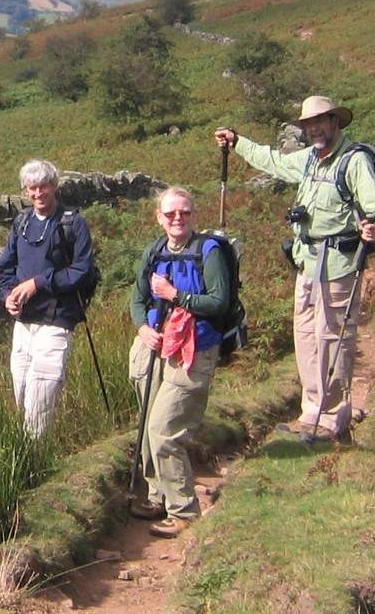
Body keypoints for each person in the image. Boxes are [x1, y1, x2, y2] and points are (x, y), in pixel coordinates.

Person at [214, 96, 375, 441]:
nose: (313, 129)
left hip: (339, 266)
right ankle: (311, 412)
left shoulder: (353, 162)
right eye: (308, 125)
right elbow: (274, 162)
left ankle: (332, 418)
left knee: (333, 340)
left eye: (319, 122)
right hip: (307, 264)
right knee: (307, 339)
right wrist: (238, 143)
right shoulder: (310, 160)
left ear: (334, 122)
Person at [128, 186, 232, 537]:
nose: (177, 218)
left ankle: (184, 512)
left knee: (163, 430)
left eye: (184, 212)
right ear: (159, 217)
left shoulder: (209, 252)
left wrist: (176, 296)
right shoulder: (154, 251)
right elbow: (137, 298)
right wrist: (142, 327)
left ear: (193, 215)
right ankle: (158, 495)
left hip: (193, 349)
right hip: (155, 343)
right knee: (146, 426)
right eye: (170, 213)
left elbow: (220, 302)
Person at [0, 159, 96, 437]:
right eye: (32, 188)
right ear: (25, 191)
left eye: (43, 187)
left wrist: (38, 283)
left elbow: (82, 270)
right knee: (21, 392)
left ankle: (38, 458)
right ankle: (28, 457)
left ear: (54, 187)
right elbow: (5, 266)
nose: (38, 193)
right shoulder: (21, 223)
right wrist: (7, 295)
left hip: (56, 321)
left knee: (40, 398)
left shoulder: (72, 224)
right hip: (24, 322)